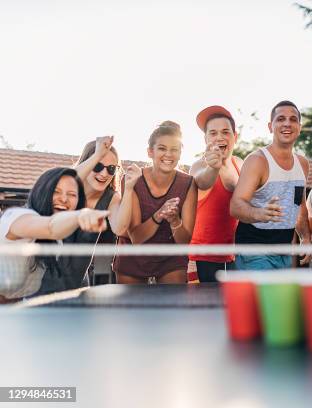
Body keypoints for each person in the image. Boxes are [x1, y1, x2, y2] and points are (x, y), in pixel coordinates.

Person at [33, 136, 142, 294]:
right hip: (40, 284)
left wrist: (130, 188)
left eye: (111, 168)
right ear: (88, 161)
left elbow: (120, 228)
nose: (104, 173)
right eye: (98, 166)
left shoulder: (111, 197)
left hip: (78, 286)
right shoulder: (66, 188)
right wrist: (98, 153)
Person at [0, 167, 109, 302]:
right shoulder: (17, 216)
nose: (64, 199)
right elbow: (51, 227)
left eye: (72, 194)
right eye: (56, 191)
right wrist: (82, 214)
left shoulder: (60, 239)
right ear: (41, 192)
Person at [230, 100, 310, 270]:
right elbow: (235, 206)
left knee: (281, 298)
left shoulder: (302, 164)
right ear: (270, 126)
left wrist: (306, 238)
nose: (287, 123)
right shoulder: (257, 161)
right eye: (280, 119)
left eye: (293, 119)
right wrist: (258, 213)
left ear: (299, 127)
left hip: (284, 253)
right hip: (254, 251)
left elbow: (300, 206)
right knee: (263, 297)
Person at [113, 121, 197, 283]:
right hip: (132, 255)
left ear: (180, 153)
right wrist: (158, 215)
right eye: (162, 148)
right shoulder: (133, 179)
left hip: (170, 257)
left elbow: (185, 242)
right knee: (132, 308)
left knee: (173, 306)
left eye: (174, 150)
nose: (168, 154)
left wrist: (175, 220)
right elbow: (136, 238)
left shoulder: (188, 183)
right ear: (150, 152)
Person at [189, 106, 243, 282]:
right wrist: (213, 168)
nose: (219, 137)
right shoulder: (198, 166)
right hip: (201, 257)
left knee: (231, 307)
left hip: (234, 257)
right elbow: (202, 181)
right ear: (205, 139)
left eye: (225, 132)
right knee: (204, 308)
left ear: (235, 137)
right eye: (213, 133)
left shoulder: (240, 165)